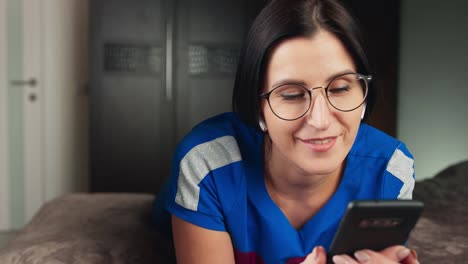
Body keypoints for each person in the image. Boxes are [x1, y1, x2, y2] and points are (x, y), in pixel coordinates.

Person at [152, 0, 420, 263]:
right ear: (258, 109)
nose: (320, 120)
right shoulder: (207, 163)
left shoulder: (391, 169)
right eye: (292, 95)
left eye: (340, 88)